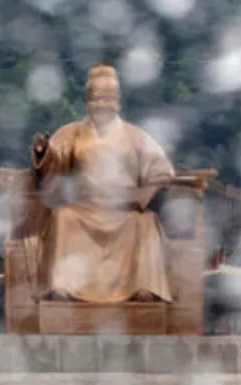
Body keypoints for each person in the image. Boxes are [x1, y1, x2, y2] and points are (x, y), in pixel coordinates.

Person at [29, 62, 177, 303]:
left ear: (117, 101)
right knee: (62, 218)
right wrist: (42, 153)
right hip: (83, 209)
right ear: (87, 101)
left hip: (124, 211)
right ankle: (63, 286)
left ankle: (143, 287)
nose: (102, 103)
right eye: (96, 98)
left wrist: (145, 191)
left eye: (107, 98)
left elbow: (162, 170)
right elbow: (53, 168)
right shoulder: (72, 133)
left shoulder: (135, 135)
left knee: (146, 224)